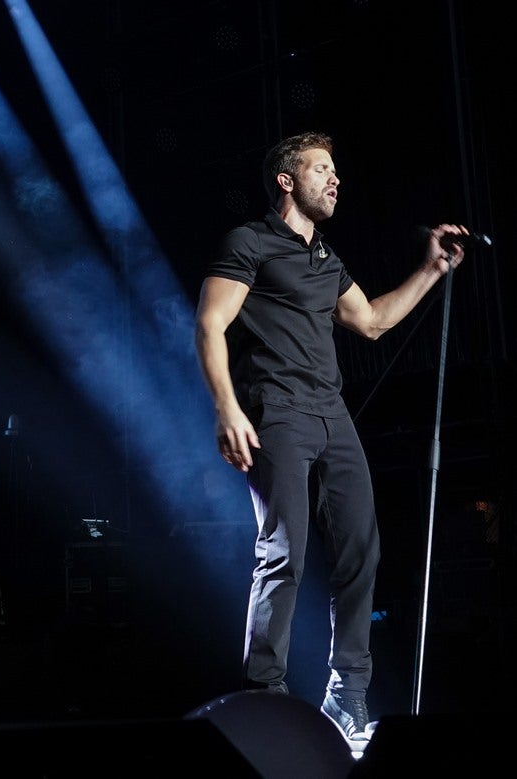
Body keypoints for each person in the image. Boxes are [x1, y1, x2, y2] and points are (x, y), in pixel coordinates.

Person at [194, 130, 468, 748]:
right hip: (276, 411)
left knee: (360, 552)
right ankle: (265, 696)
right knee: (284, 551)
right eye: (322, 169)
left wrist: (430, 270)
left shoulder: (326, 260)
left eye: (336, 170)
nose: (335, 179)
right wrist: (226, 410)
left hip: (331, 412)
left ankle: (347, 695)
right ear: (288, 181)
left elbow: (371, 321)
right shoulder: (251, 242)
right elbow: (211, 324)